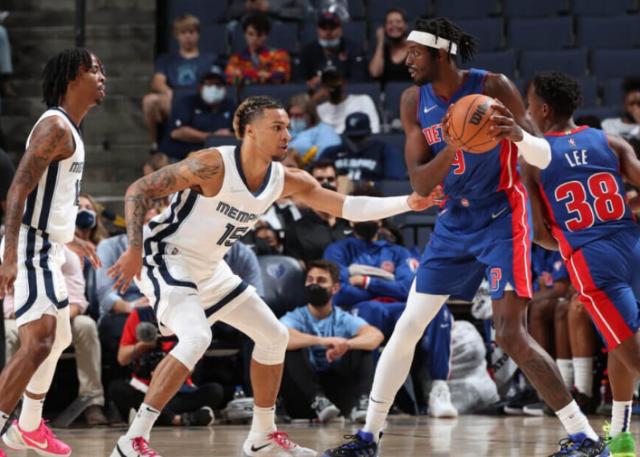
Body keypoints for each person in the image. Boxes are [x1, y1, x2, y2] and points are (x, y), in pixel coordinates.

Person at [324, 18, 608, 457]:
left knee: (509, 335)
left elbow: (540, 154)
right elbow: (420, 182)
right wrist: (456, 145)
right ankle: (368, 437)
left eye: (416, 53)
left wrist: (518, 139)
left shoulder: (493, 86)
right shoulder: (412, 101)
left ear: (441, 53)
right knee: (409, 325)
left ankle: (585, 437)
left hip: (502, 216)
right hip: (453, 220)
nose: (408, 60)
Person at [106, 95, 439, 457]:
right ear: (250, 132)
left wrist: (407, 202)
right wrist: (134, 248)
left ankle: (262, 436)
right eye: (277, 127)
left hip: (210, 267)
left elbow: (346, 206)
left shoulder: (283, 179)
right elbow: (139, 189)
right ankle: (132, 441)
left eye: (287, 128)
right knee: (197, 337)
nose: (287, 135)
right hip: (164, 255)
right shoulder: (212, 164)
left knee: (274, 336)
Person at [527, 71, 640, 456]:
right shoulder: (609, 141)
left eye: (529, 103)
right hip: (632, 246)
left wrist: (568, 242)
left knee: (631, 349)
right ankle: (621, 434)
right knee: (619, 340)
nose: (527, 111)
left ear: (543, 109)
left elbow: (539, 232)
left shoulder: (536, 158)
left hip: (593, 260)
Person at [0, 48, 105, 457]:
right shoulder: (55, 127)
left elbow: (50, 200)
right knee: (40, 339)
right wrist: (11, 255)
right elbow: (18, 189)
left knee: (58, 336)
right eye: (95, 69)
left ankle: (28, 427)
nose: (103, 76)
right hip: (29, 246)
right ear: (73, 77)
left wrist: (70, 238)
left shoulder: (71, 130)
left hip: (49, 245)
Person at [324, 186, 456, 418]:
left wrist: (365, 282)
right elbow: (340, 293)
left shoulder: (398, 252)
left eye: (373, 212)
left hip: (397, 309)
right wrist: (387, 283)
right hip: (362, 311)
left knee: (438, 310)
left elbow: (408, 289)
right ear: (351, 218)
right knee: (371, 309)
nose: (368, 218)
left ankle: (438, 388)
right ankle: (368, 394)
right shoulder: (337, 251)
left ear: (382, 217)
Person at [3, 245, 108, 426]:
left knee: (86, 326)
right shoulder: (21, 249)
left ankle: (92, 400)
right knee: (10, 331)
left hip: (61, 316)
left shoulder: (68, 256)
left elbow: (77, 301)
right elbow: (9, 305)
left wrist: (53, 321)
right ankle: (12, 403)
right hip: (22, 317)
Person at [279, 260, 383, 422]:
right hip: (304, 396)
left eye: (321, 280)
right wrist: (321, 341)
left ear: (335, 288)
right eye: (310, 280)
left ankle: (364, 402)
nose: (314, 285)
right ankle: (318, 400)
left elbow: (376, 336)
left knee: (363, 346)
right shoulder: (295, 316)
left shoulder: (343, 318)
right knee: (290, 346)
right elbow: (280, 336)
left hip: (338, 395)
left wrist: (346, 344)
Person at [109, 305, 223, 428]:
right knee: (117, 388)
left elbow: (192, 366)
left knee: (215, 391)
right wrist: (145, 345)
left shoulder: (189, 316)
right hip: (144, 388)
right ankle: (181, 419)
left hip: (178, 389)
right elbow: (122, 358)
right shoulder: (139, 314)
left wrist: (168, 373)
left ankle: (148, 417)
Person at [142, 14, 216, 149]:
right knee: (149, 101)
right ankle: (155, 144)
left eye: (191, 32)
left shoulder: (209, 59)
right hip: (173, 100)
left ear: (198, 34)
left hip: (198, 100)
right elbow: (157, 82)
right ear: (176, 35)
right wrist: (169, 93)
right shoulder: (166, 60)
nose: (187, 36)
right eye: (183, 32)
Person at [161, 65, 236, 160]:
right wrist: (212, 137)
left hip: (217, 159)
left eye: (218, 85)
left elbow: (241, 133)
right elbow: (176, 132)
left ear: (225, 89)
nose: (214, 88)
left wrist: (229, 137)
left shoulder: (231, 106)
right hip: (181, 157)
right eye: (209, 84)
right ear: (200, 87)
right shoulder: (186, 103)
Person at [283, 160, 351, 265]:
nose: (325, 183)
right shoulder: (296, 229)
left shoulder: (350, 222)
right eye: (319, 179)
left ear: (337, 183)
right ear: (309, 184)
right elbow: (295, 268)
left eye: (330, 179)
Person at [321, 112, 405, 181]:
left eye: (360, 137)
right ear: (345, 135)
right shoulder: (331, 153)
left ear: (370, 134)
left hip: (373, 194)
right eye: (352, 138)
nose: (356, 142)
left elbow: (393, 183)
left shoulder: (385, 151)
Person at [299, 11, 367, 92]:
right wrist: (309, 83)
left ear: (340, 29)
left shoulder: (353, 49)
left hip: (346, 94)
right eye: (324, 28)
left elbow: (359, 79)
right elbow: (298, 80)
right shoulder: (308, 51)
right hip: (316, 93)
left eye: (332, 27)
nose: (328, 32)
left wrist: (332, 82)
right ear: (317, 30)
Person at [225, 13, 291, 86]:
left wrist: (244, 74)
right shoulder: (236, 58)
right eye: (250, 34)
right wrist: (262, 74)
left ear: (266, 36)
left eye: (259, 35)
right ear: (244, 34)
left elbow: (280, 76)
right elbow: (229, 78)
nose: (254, 39)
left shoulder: (279, 55)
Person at [316, 67, 380, 135]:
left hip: (358, 140)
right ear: (323, 87)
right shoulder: (319, 110)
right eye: (329, 83)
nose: (333, 87)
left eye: (335, 81)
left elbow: (375, 130)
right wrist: (314, 100)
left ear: (344, 82)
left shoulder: (363, 100)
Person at [287, 93, 341, 163]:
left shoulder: (324, 131)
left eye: (299, 115)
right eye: (291, 115)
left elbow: (327, 157)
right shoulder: (286, 130)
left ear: (310, 114)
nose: (294, 119)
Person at [368, 8, 411, 83]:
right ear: (384, 28)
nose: (394, 25)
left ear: (406, 25)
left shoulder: (414, 49)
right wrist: (380, 42)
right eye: (390, 22)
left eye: (398, 22)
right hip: (386, 90)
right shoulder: (382, 50)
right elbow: (375, 73)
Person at [602, 77, 640, 142]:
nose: (635, 108)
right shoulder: (608, 125)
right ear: (624, 105)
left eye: (639, 104)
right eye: (631, 103)